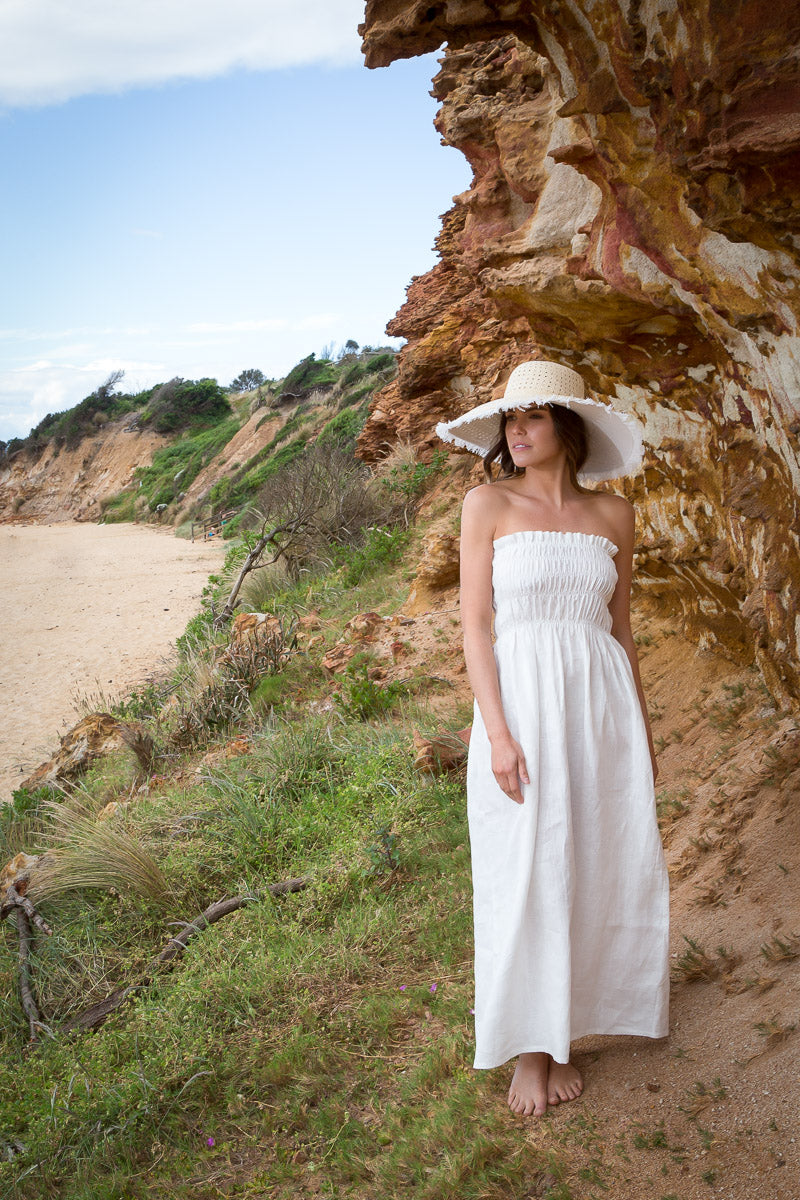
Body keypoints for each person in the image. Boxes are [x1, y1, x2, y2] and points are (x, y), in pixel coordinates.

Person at [436, 359, 669, 1118]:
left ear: (567, 427)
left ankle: (565, 1031)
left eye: (531, 417)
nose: (516, 431)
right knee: (527, 866)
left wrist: (642, 727)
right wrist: (497, 733)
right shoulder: (487, 503)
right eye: (510, 420)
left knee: (594, 859)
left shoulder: (615, 516)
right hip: (523, 704)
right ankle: (528, 1053)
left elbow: (621, 630)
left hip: (600, 705)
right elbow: (474, 625)